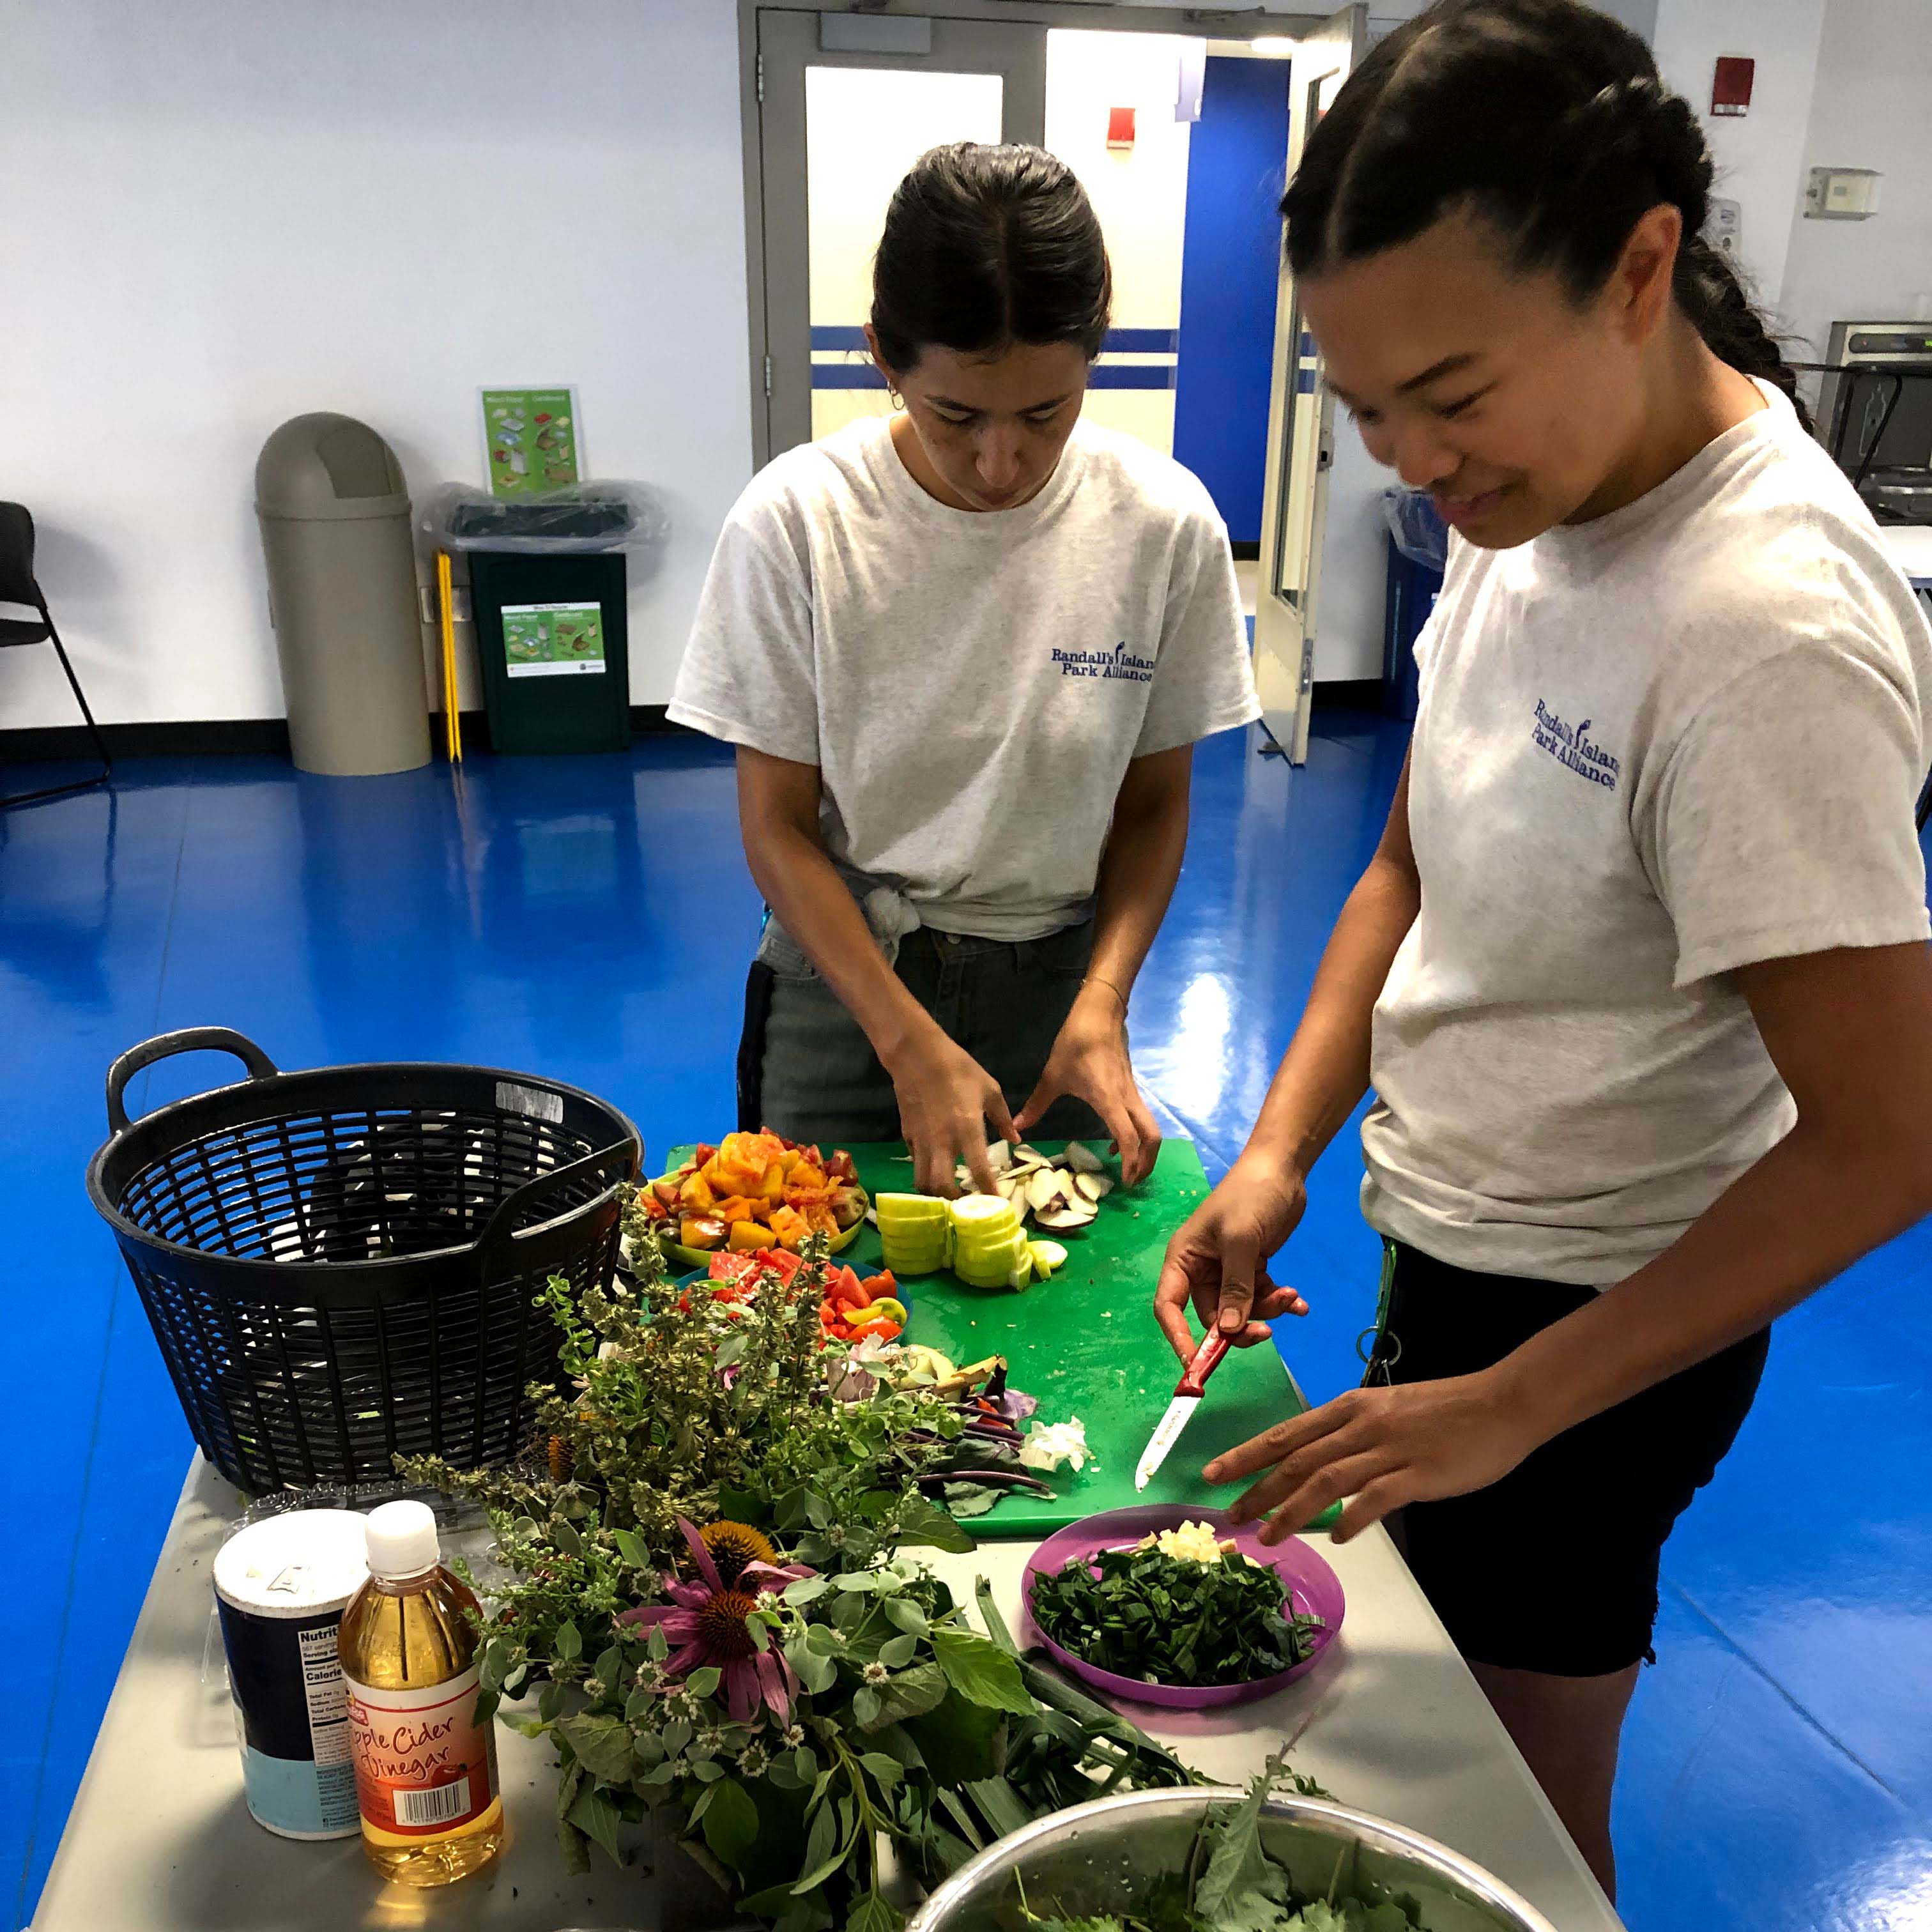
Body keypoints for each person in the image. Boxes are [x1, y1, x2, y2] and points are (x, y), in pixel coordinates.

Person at [1153, 0, 1932, 1897]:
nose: (1415, 460)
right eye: (1364, 409)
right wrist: (1278, 1151)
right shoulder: (1532, 500)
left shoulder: (1763, 634)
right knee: (1427, 1724)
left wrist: (1513, 1404)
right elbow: (1408, 867)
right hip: (1461, 1238)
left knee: (1507, 1787)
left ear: (1641, 268)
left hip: (1605, 1323)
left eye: (1452, 393)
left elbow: (1889, 1137)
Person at [671, 143, 1257, 1196]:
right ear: (883, 359)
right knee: (817, 1293)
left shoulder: (1163, 526)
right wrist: (902, 1040)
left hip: (1060, 996)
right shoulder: (800, 522)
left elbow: (1156, 804)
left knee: (1050, 1313)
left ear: (1092, 358)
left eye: (1045, 413)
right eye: (957, 415)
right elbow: (776, 826)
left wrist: (1105, 1003)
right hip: (847, 982)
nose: (1001, 464)